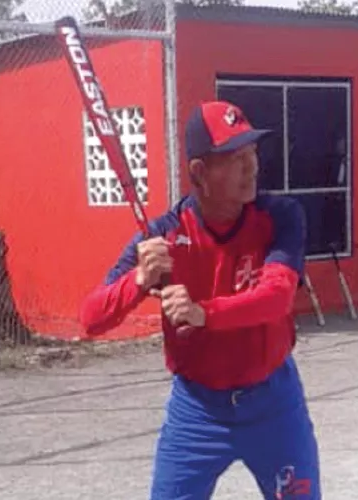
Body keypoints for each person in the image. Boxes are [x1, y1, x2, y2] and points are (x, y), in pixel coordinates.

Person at [79, 100, 322, 499]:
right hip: (198, 411)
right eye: (236, 157)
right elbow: (91, 317)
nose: (252, 167)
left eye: (253, 153)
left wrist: (202, 313)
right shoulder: (165, 234)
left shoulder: (280, 216)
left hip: (273, 402)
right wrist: (140, 280)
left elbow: (276, 299)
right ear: (199, 173)